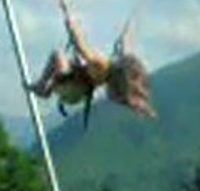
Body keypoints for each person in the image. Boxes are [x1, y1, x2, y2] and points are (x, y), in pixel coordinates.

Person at [26, 19, 156, 127]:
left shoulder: (103, 65)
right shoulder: (113, 75)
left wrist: (73, 28)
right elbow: (125, 51)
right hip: (78, 94)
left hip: (71, 87)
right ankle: (47, 87)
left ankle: (43, 87)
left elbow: (83, 49)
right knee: (68, 63)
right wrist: (127, 33)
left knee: (57, 55)